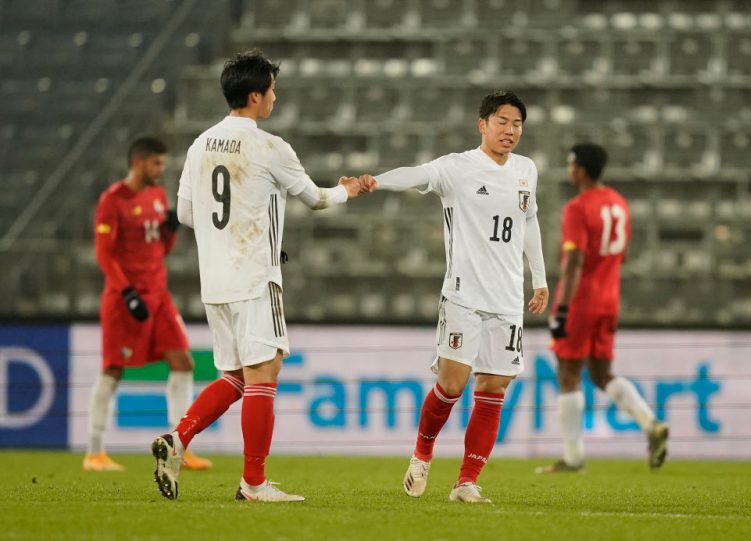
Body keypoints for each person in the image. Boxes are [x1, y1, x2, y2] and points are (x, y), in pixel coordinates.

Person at [150, 50, 370, 502]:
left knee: (235, 375)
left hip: (214, 279)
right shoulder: (270, 147)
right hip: (254, 276)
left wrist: (233, 227)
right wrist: (347, 190)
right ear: (254, 95)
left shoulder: (200, 143)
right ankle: (253, 483)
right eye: (271, 88)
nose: (274, 96)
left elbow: (186, 213)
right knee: (264, 374)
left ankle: (178, 438)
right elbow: (316, 199)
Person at [357, 90, 549, 504]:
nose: (510, 131)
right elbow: (417, 174)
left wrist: (540, 278)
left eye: (517, 124)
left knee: (495, 386)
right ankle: (423, 452)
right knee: (452, 384)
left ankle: (466, 482)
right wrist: (377, 181)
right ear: (482, 124)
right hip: (463, 295)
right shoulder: (458, 168)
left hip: (506, 299)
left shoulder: (526, 170)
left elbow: (530, 220)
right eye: (502, 121)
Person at [537, 143, 668, 474]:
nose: (569, 169)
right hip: (610, 298)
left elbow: (574, 262)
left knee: (568, 372)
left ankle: (573, 457)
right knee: (601, 373)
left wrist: (563, 310)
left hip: (581, 300)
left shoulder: (578, 207)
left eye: (571, 164)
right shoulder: (619, 204)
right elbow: (621, 255)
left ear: (580, 169)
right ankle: (650, 423)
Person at [86, 136, 211, 472]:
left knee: (183, 361)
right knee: (114, 368)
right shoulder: (113, 200)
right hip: (124, 297)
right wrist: (126, 293)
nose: (161, 169)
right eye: (156, 163)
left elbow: (161, 250)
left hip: (158, 295)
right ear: (139, 162)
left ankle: (179, 445)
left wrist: (170, 231)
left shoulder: (157, 195)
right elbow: (104, 253)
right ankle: (94, 451)